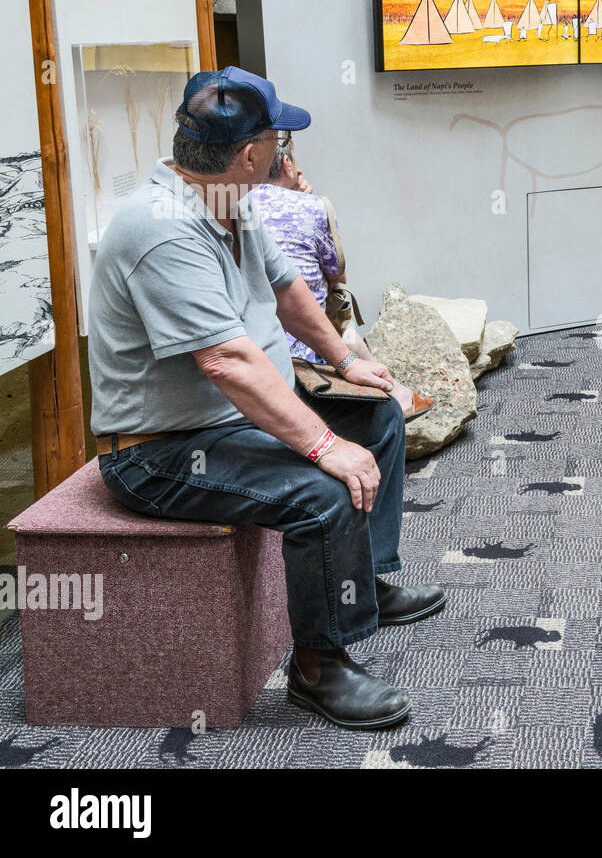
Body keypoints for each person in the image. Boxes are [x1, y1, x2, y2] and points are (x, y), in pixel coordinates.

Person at [88, 67, 446, 730]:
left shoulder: (230, 199)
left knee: (378, 413)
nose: (284, 148)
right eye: (277, 137)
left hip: (233, 415)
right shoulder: (160, 227)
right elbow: (225, 360)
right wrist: (320, 442)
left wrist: (346, 360)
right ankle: (317, 667)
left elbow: (285, 290)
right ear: (250, 154)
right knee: (324, 489)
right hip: (163, 450)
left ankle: (366, 582)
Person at [248, 137, 428, 418]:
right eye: (296, 162)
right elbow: (337, 275)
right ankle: (397, 396)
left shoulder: (230, 206)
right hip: (305, 357)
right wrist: (308, 203)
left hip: (248, 354)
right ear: (287, 164)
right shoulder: (313, 206)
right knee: (339, 313)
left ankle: (397, 392)